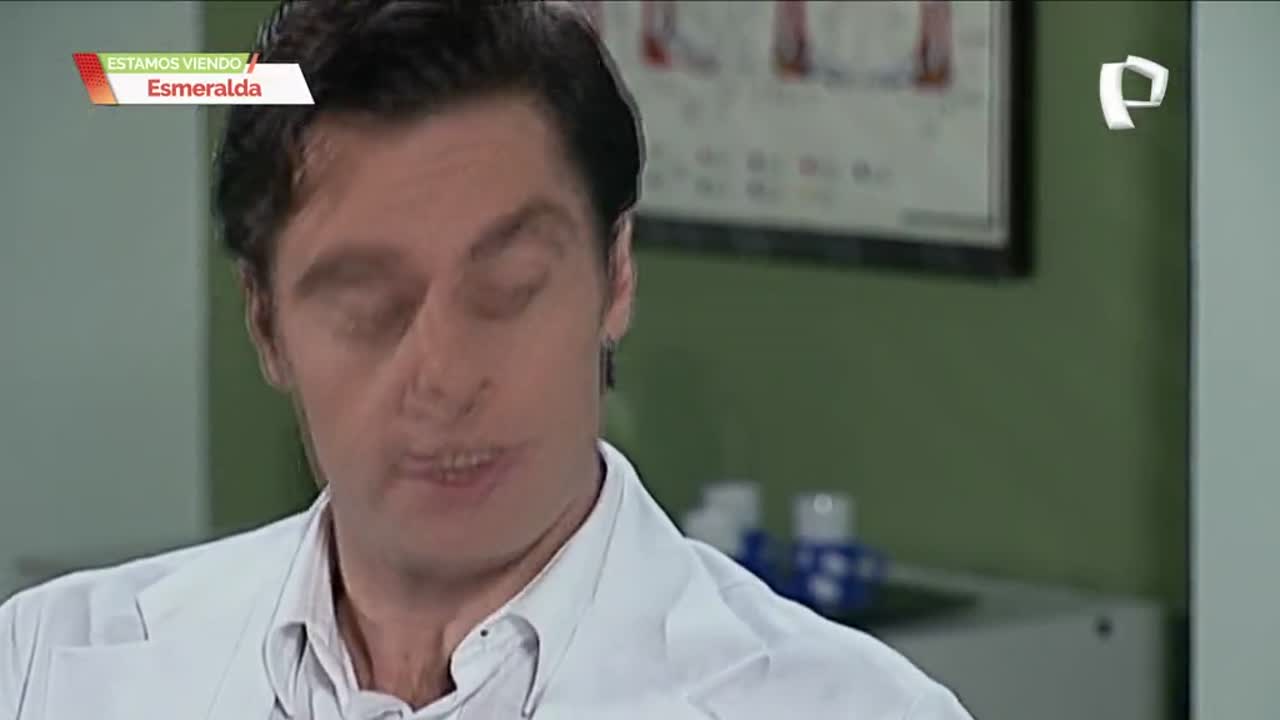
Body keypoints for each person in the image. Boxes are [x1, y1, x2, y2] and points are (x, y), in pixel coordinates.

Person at [0, 2, 974, 718]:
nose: (445, 375)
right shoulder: (48, 668)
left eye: (508, 289)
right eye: (367, 306)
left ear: (615, 276)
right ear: (266, 324)